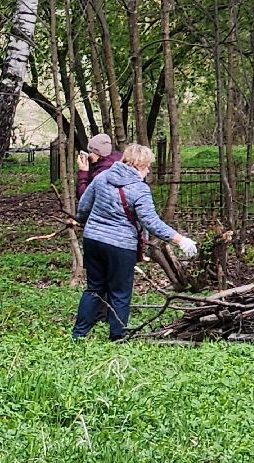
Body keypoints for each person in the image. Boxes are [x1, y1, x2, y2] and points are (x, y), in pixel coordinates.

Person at [74, 143, 198, 341]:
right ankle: (117, 337)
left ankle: (78, 335)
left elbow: (83, 208)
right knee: (120, 292)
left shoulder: (102, 177)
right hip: (120, 246)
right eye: (147, 166)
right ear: (139, 165)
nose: (148, 170)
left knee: (94, 289)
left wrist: (90, 225)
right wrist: (180, 240)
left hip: (92, 241)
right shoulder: (139, 189)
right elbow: (151, 222)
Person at [75, 133, 121, 199]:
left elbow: (84, 197)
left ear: (97, 153)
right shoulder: (116, 163)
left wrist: (83, 171)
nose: (89, 155)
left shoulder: (101, 173)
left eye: (90, 152)